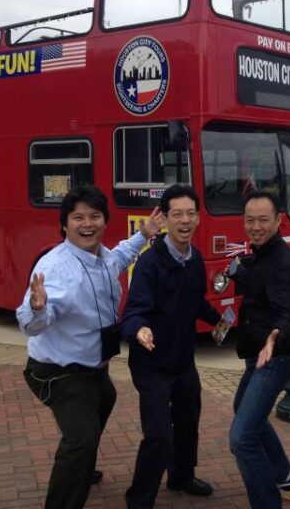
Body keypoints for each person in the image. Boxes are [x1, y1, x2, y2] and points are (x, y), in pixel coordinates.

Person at [17, 185, 164, 509]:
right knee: (81, 440)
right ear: (64, 224)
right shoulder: (56, 269)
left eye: (94, 216)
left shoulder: (101, 256)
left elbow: (121, 257)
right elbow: (29, 324)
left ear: (103, 221)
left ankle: (80, 463)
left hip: (92, 365)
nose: (87, 223)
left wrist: (144, 235)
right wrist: (38, 308)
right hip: (57, 370)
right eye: (78, 217)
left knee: (106, 398)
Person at [121, 185, 224, 508]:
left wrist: (222, 321)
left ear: (197, 218)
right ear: (165, 219)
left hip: (182, 361)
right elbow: (133, 311)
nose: (185, 220)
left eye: (191, 213)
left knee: (188, 419)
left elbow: (195, 301)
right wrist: (140, 329)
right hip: (151, 364)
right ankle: (139, 500)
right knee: (159, 436)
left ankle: (181, 475)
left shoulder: (193, 261)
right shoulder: (150, 263)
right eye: (177, 214)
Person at [228, 190, 290, 508]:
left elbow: (287, 311)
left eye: (263, 220)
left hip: (275, 358)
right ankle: (284, 475)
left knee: (241, 438)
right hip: (257, 356)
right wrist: (242, 275)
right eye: (250, 220)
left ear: (278, 220)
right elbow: (264, 291)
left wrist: (276, 335)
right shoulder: (262, 254)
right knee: (246, 415)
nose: (255, 226)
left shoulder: (285, 263)